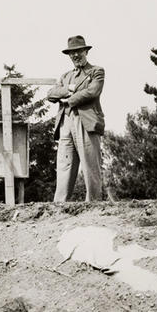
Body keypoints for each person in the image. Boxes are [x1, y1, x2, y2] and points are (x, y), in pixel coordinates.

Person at [47, 34, 105, 202]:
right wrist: (69, 89)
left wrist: (69, 99)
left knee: (90, 165)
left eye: (79, 51)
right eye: (72, 53)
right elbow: (51, 94)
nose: (75, 55)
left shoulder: (96, 71)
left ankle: (93, 203)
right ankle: (59, 205)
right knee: (64, 165)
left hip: (86, 121)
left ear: (86, 51)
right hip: (65, 122)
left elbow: (93, 91)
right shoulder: (66, 76)